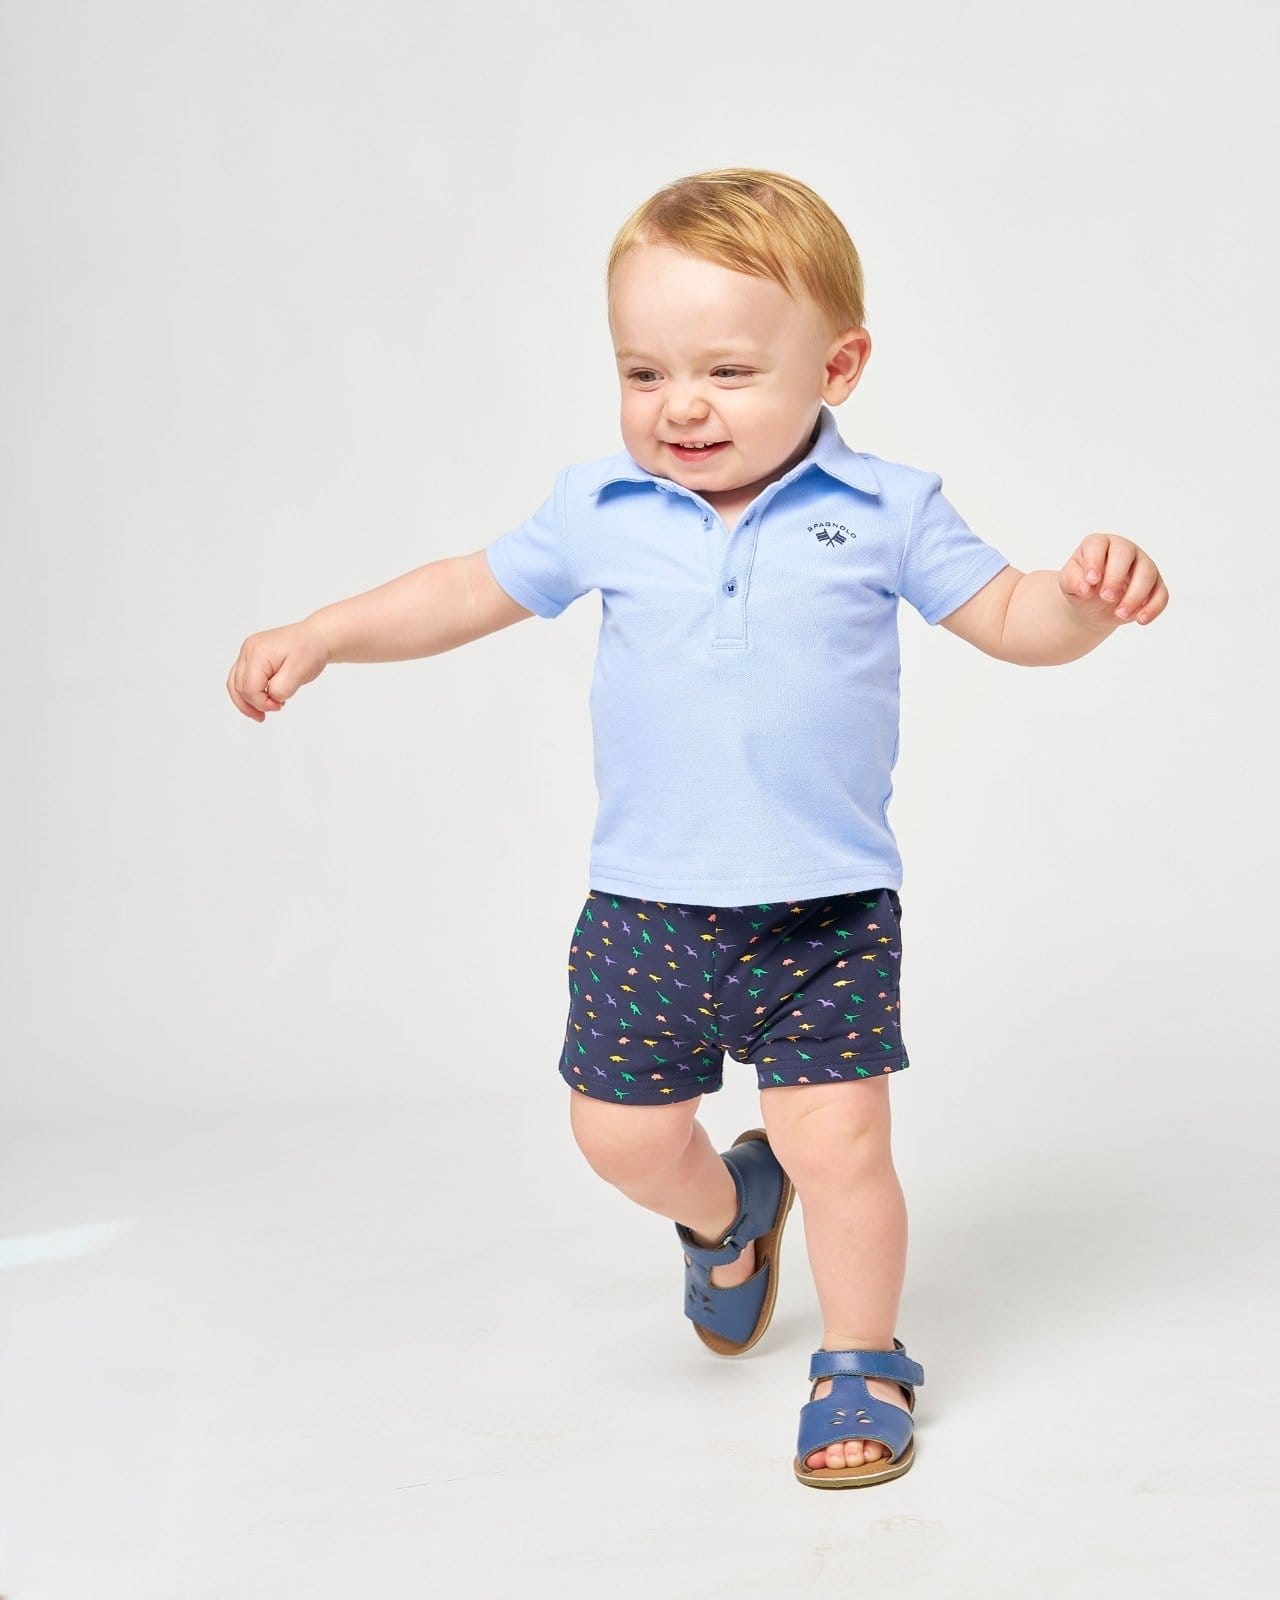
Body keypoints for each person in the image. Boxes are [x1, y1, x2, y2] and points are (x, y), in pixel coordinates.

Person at [226, 167, 1168, 1489]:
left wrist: (1083, 599)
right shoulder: (602, 510)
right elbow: (465, 589)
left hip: (824, 910)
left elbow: (1014, 618)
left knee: (842, 1145)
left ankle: (861, 1355)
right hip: (646, 905)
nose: (680, 407)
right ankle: (730, 1217)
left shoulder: (887, 510)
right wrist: (325, 632)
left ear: (837, 367)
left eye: (727, 372)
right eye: (644, 372)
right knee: (617, 1138)